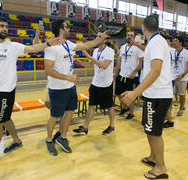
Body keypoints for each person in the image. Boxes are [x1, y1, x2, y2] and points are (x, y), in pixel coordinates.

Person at [0, 17, 60, 169]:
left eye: (6, 26)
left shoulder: (13, 46)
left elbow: (33, 49)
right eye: (1, 26)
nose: (5, 29)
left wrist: (48, 43)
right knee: (5, 118)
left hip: (6, 92)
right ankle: (16, 141)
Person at [44, 20, 109, 156]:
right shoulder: (51, 47)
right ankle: (49, 140)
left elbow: (86, 45)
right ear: (61, 30)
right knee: (54, 117)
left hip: (70, 87)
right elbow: (48, 70)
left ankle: (63, 137)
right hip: (57, 88)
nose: (69, 29)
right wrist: (68, 77)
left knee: (70, 112)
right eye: (67, 27)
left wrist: (100, 39)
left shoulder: (69, 44)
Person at [121, 14, 172, 179]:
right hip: (153, 94)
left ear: (143, 28)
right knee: (149, 129)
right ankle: (153, 157)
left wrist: (135, 92)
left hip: (158, 95)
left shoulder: (156, 42)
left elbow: (156, 70)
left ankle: (161, 167)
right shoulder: (156, 41)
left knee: (154, 132)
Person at [73, 31, 115, 135]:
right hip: (95, 83)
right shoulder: (96, 50)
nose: (97, 38)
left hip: (106, 84)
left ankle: (112, 125)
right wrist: (80, 63)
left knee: (109, 107)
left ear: (105, 40)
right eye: (97, 36)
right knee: (91, 105)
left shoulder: (109, 51)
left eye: (100, 37)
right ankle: (85, 128)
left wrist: (88, 56)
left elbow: (104, 65)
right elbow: (91, 64)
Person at [114, 30, 143, 120]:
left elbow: (141, 62)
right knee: (118, 92)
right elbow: (119, 60)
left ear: (134, 38)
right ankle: (125, 107)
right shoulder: (122, 47)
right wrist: (115, 71)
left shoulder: (137, 48)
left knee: (132, 96)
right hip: (122, 75)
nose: (129, 37)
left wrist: (134, 72)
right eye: (128, 35)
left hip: (132, 77)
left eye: (131, 35)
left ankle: (131, 112)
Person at [172, 36, 188, 116]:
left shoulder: (186, 53)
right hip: (173, 77)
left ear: (180, 42)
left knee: (181, 94)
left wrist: (182, 75)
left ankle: (181, 109)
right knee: (172, 94)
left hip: (182, 78)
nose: (173, 42)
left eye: (175, 40)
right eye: (173, 41)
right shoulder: (172, 52)